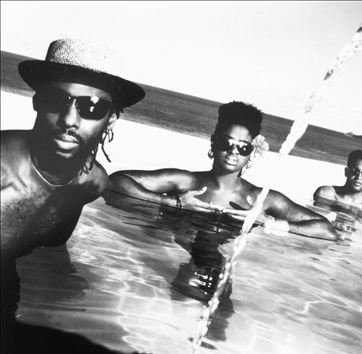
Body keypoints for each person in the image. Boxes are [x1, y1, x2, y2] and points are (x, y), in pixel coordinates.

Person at [105, 101, 338, 241]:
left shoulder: (261, 199)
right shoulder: (186, 182)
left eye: (243, 147)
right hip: (166, 253)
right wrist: (174, 203)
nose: (233, 152)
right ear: (214, 142)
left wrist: (268, 221)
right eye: (226, 143)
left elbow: (327, 230)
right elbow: (115, 181)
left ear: (252, 151)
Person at [1, 38, 145, 264]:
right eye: (55, 99)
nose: (69, 120)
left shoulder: (92, 183)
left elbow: (51, 254)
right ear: (37, 102)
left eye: (92, 106)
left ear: (110, 120)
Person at [313, 149, 362, 219]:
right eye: (355, 171)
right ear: (346, 172)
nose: (359, 177)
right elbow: (317, 220)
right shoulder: (327, 194)